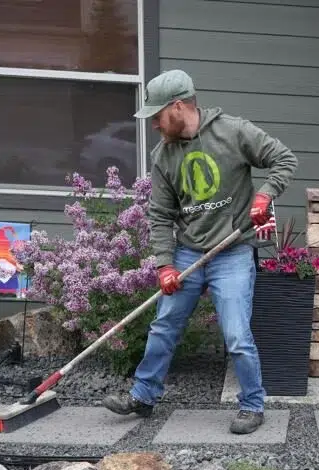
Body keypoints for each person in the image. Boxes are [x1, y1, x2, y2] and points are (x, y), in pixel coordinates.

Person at [103, 69, 298, 435]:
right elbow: (160, 215)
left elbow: (284, 159)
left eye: (158, 116)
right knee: (164, 326)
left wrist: (265, 193)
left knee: (236, 334)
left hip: (233, 251)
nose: (154, 125)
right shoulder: (163, 156)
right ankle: (143, 397)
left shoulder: (233, 132)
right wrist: (164, 265)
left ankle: (252, 405)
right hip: (189, 252)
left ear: (178, 107)